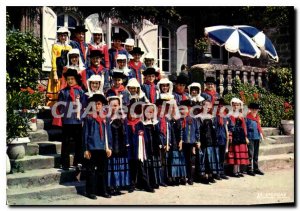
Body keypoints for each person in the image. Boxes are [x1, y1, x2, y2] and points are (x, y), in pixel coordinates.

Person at [53, 68, 86, 171]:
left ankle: (78, 162)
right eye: (68, 79)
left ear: (76, 79)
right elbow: (60, 106)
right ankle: (65, 163)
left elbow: (84, 104)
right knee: (66, 142)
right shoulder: (63, 92)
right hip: (67, 120)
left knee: (79, 142)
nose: (70, 81)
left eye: (72, 79)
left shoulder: (80, 91)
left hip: (77, 120)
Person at [82, 94, 112, 199]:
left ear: (102, 105)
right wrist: (85, 149)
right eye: (94, 104)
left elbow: (108, 133)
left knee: (102, 171)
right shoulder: (89, 117)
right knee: (91, 171)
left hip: (103, 148)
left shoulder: (105, 118)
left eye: (99, 104)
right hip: (92, 148)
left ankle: (102, 190)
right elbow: (85, 134)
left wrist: (109, 147)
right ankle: (90, 191)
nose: (97, 106)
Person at [126, 104, 155, 193]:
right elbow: (126, 136)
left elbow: (144, 137)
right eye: (131, 114)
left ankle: (146, 185)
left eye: (134, 113)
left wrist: (144, 146)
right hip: (130, 149)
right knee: (132, 168)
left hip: (139, 149)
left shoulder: (139, 123)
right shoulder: (126, 124)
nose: (132, 115)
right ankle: (132, 184)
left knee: (141, 168)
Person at [106, 96, 130, 195]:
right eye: (112, 106)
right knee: (112, 166)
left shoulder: (123, 118)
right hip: (112, 146)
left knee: (120, 165)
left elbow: (126, 133)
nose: (114, 108)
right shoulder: (107, 119)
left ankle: (119, 185)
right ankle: (111, 186)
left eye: (116, 105)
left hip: (121, 145)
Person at [195, 100, 220, 184]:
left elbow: (214, 130)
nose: (208, 107)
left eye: (209, 105)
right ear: (202, 106)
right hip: (203, 140)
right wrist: (198, 141)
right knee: (204, 158)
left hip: (211, 140)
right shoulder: (198, 117)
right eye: (206, 105)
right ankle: (203, 176)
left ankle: (210, 175)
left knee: (211, 158)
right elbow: (197, 130)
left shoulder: (212, 117)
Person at [46, 27, 72, 107]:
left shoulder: (69, 47)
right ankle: (54, 109)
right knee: (56, 89)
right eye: (61, 35)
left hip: (65, 72)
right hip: (57, 71)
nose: (63, 37)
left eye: (64, 35)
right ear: (58, 36)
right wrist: (54, 73)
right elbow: (53, 59)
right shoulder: (55, 46)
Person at [142, 103, 165, 189]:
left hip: (154, 146)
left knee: (155, 164)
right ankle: (149, 182)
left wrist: (160, 143)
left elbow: (159, 134)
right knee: (148, 164)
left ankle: (156, 181)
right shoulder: (142, 123)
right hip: (147, 146)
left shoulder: (156, 123)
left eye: (151, 112)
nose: (149, 114)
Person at [178, 99, 200, 185]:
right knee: (182, 160)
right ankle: (183, 177)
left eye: (185, 109)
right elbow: (180, 131)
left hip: (191, 142)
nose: (183, 111)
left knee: (190, 161)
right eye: (181, 109)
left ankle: (190, 178)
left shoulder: (193, 119)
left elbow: (197, 130)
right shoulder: (180, 119)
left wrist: (197, 141)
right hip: (182, 143)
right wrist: (180, 140)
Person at [227, 97, 249, 177]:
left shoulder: (241, 115)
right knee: (235, 153)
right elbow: (230, 127)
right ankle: (234, 171)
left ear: (240, 106)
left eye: (237, 105)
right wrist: (230, 136)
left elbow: (244, 126)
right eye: (234, 105)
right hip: (234, 135)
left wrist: (246, 136)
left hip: (241, 135)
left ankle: (239, 170)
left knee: (240, 153)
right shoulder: (230, 115)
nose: (236, 107)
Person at [246, 102, 265, 176]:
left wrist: (261, 136)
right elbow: (245, 128)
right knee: (250, 154)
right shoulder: (247, 118)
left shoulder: (258, 117)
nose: (254, 111)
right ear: (250, 109)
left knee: (256, 154)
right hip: (250, 137)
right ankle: (249, 169)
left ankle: (256, 168)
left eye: (256, 109)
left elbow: (259, 127)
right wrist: (246, 137)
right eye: (253, 109)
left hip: (257, 137)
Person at [214, 98, 230, 180]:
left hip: (223, 138)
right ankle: (217, 173)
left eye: (222, 105)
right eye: (219, 105)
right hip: (216, 139)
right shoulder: (214, 116)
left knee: (222, 157)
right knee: (217, 157)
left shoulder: (225, 117)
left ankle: (221, 172)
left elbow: (229, 126)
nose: (221, 107)